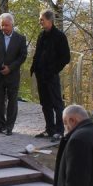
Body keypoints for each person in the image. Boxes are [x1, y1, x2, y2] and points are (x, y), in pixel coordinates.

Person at [30, 9, 70, 142]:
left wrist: (54, 70)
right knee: (45, 103)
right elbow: (38, 53)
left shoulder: (59, 36)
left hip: (51, 75)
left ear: (49, 20)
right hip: (40, 75)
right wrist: (34, 67)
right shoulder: (42, 35)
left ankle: (59, 130)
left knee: (56, 103)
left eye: (42, 19)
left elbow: (65, 57)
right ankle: (49, 128)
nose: (40, 22)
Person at [0, 13, 27, 136]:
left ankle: (9, 126)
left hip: (12, 74)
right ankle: (0, 125)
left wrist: (11, 67)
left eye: (6, 25)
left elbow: (22, 56)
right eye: (2, 25)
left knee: (12, 101)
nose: (4, 28)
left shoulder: (20, 38)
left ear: (12, 24)